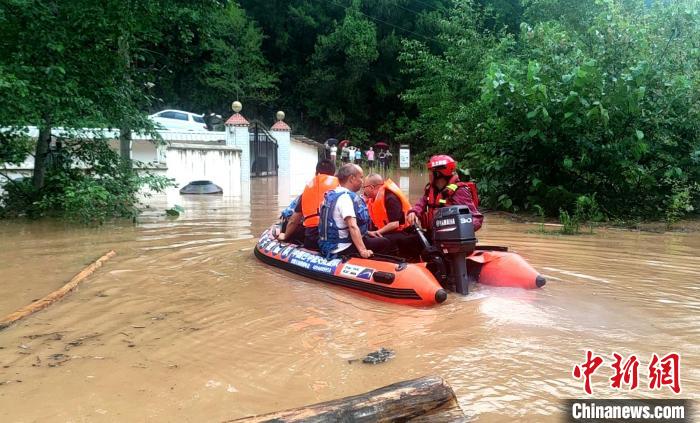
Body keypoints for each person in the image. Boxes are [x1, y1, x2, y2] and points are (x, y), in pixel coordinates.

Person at [318, 164, 397, 258]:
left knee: (373, 238)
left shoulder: (332, 194)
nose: (362, 182)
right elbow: (352, 226)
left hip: (328, 245)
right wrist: (363, 250)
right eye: (361, 177)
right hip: (342, 247)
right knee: (385, 242)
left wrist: (368, 232)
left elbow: (340, 224)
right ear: (351, 178)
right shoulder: (345, 198)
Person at [406, 155, 483, 233]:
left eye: (430, 172)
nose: (429, 175)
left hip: (450, 238)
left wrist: (459, 229)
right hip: (434, 235)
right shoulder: (431, 190)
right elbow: (420, 204)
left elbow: (476, 218)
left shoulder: (459, 191)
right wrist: (414, 212)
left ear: (437, 174)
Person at [277, 159, 338, 250]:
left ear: (316, 173)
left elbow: (294, 220)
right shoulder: (340, 188)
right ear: (334, 174)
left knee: (287, 223)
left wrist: (285, 236)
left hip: (312, 240)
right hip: (335, 240)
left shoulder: (308, 190)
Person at [362, 173, 417, 258]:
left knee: (378, 241)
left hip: (403, 232)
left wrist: (376, 232)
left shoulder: (390, 198)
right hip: (388, 231)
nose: (363, 191)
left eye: (364, 188)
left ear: (371, 187)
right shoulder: (373, 200)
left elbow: (395, 224)